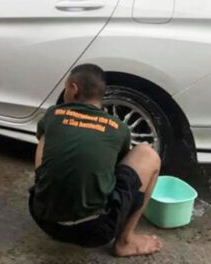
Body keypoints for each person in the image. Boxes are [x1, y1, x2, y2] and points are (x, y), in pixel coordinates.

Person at [29, 64, 163, 257]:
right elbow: (118, 169)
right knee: (147, 154)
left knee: (47, 135)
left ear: (74, 89)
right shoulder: (119, 128)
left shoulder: (53, 114)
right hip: (96, 232)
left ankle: (52, 198)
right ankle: (124, 241)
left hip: (43, 218)